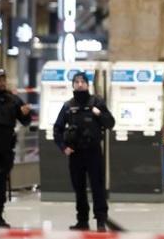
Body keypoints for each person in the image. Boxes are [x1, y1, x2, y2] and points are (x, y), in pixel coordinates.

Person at [53, 72, 115, 232]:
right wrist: (63, 147)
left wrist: (99, 113)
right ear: (73, 85)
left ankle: (101, 221)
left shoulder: (97, 102)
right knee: (79, 188)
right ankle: (82, 221)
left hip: (93, 152)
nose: (80, 84)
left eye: (83, 81)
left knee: (98, 187)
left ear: (88, 85)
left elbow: (110, 123)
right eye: (77, 82)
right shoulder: (68, 106)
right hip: (76, 154)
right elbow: (57, 129)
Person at [0, 68, 32, 227]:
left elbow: (25, 122)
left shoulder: (13, 100)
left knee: (0, 181)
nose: (1, 82)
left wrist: (25, 114)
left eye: (3, 79)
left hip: (5, 148)